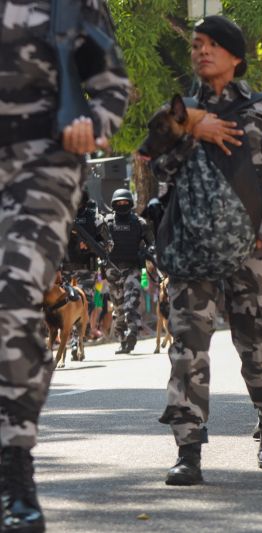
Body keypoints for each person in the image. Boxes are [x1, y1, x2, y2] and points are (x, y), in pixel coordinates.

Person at [150, 16, 262, 485]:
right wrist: (188, 132)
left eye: (212, 45)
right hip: (191, 247)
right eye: (197, 44)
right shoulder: (178, 112)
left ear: (235, 56)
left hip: (253, 250)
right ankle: (188, 449)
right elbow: (158, 166)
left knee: (261, 347)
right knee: (187, 348)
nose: (201, 51)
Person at [0, 1, 129, 530]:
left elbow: (112, 85)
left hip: (41, 167)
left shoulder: (69, 4)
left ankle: (14, 471)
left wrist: (92, 123)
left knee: (12, 297)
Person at [61, 192, 113, 356]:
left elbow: (109, 244)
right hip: (64, 269)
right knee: (62, 306)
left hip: (86, 270)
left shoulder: (95, 218)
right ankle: (65, 337)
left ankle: (76, 341)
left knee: (83, 305)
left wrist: (91, 246)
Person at [104, 188, 153, 354]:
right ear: (114, 204)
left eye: (125, 202)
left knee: (131, 303)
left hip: (132, 268)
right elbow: (98, 242)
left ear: (130, 203)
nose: (122, 204)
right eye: (119, 202)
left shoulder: (139, 223)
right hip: (113, 270)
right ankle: (122, 340)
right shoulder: (107, 222)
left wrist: (146, 253)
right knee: (118, 308)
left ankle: (132, 331)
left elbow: (151, 245)